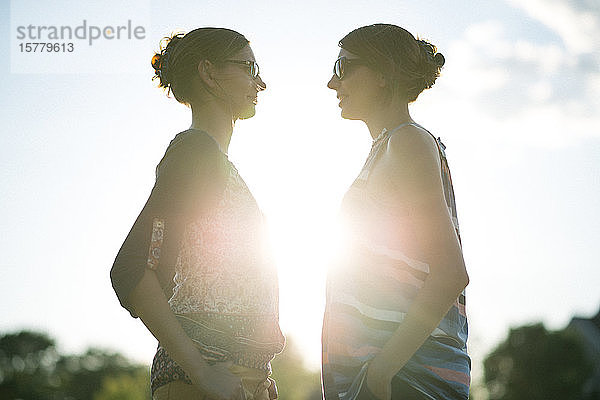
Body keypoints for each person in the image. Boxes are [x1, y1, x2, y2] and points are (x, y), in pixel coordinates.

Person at [110, 27, 285, 400]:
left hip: (238, 381)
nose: (262, 83)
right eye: (250, 69)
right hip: (199, 384)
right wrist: (204, 374)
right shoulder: (196, 150)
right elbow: (131, 268)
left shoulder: (216, 162)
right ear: (208, 73)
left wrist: (258, 371)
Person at [321, 24, 470, 400]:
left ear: (384, 74)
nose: (331, 83)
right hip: (384, 376)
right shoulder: (389, 146)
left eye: (343, 68)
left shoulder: (408, 141)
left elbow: (451, 272)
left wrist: (382, 371)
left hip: (408, 378)